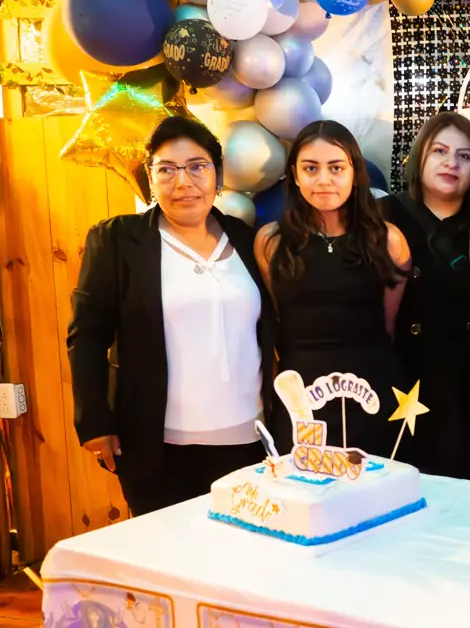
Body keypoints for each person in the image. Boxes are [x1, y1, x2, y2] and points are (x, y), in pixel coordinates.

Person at [67, 117, 274, 515]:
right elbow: (87, 335)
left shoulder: (248, 240)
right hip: (156, 447)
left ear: (217, 175)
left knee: (244, 549)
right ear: (150, 177)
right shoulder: (118, 240)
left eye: (197, 167)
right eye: (167, 169)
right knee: (166, 550)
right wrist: (94, 421)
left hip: (248, 441)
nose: (183, 182)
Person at [255, 120, 411, 458]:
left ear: (355, 173)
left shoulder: (389, 240)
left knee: (375, 485)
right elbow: (278, 318)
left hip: (374, 391)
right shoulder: (270, 242)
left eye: (336, 168)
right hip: (300, 399)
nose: (324, 180)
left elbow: (388, 323)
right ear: (295, 175)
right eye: (311, 168)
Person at [379, 112, 470, 478]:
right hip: (399, 380)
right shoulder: (382, 216)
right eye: (440, 151)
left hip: (466, 387)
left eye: (464, 156)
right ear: (419, 156)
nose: (452, 163)